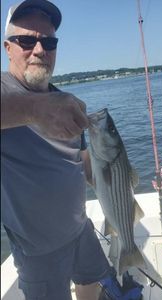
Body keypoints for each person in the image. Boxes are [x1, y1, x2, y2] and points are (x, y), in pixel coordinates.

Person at [1, 1, 111, 299]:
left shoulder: (64, 102)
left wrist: (117, 189)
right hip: (38, 249)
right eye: (26, 40)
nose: (39, 50)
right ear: (7, 48)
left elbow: (85, 163)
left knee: (92, 283)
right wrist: (34, 110)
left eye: (48, 41)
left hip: (80, 228)